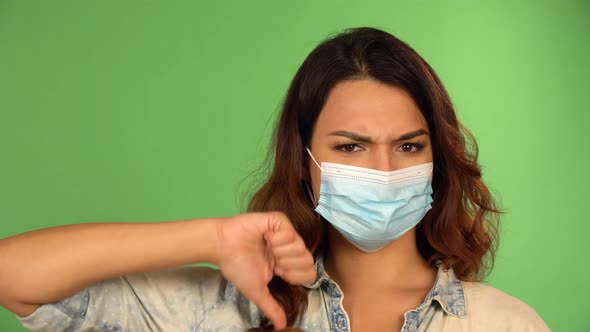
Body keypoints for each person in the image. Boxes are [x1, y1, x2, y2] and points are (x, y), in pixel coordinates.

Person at [0, 27, 550, 332]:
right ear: (304, 161)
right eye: (350, 147)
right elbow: (13, 276)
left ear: (437, 160)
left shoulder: (504, 323)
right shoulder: (223, 309)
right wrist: (212, 240)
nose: (383, 171)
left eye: (409, 146)